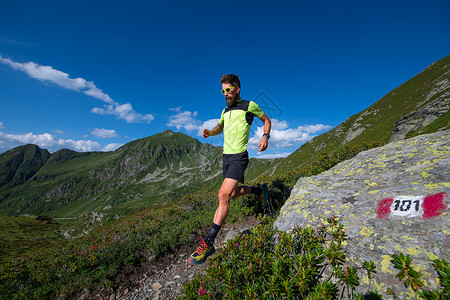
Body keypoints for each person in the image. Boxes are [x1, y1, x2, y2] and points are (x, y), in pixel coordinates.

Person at [189, 74, 272, 264]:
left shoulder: (249, 105)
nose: (225, 93)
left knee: (223, 195)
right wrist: (210, 132)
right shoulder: (225, 110)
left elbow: (267, 120)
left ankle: (209, 242)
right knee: (232, 194)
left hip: (239, 157)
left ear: (237, 89)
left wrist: (265, 136)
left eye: (228, 89)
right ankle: (260, 190)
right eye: (223, 90)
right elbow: (220, 126)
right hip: (226, 157)